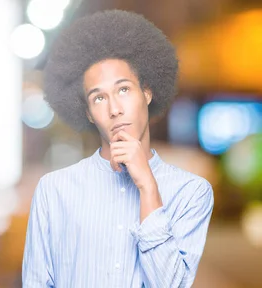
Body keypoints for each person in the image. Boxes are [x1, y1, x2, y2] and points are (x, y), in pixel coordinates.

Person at [22, 10, 214, 288]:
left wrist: (148, 187)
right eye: (99, 98)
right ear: (88, 113)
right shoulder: (54, 190)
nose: (114, 109)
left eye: (123, 90)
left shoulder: (192, 192)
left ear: (146, 93)